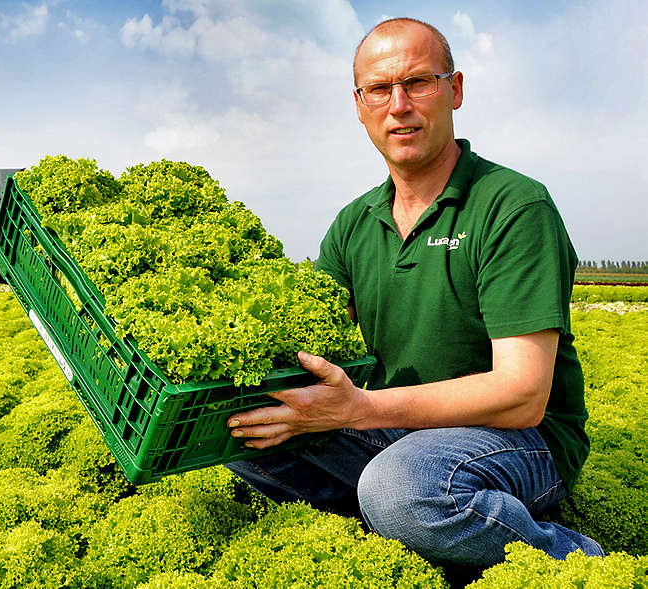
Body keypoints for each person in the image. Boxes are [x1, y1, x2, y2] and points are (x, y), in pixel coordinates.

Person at [225, 17, 603, 572]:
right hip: (398, 428)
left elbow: (523, 395)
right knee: (245, 431)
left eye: (418, 83)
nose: (398, 105)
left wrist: (359, 408)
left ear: (455, 90)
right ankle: (409, 527)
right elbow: (303, 337)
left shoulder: (513, 206)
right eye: (379, 89)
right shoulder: (356, 222)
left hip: (522, 439)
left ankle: (569, 557)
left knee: (402, 487)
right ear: (360, 106)